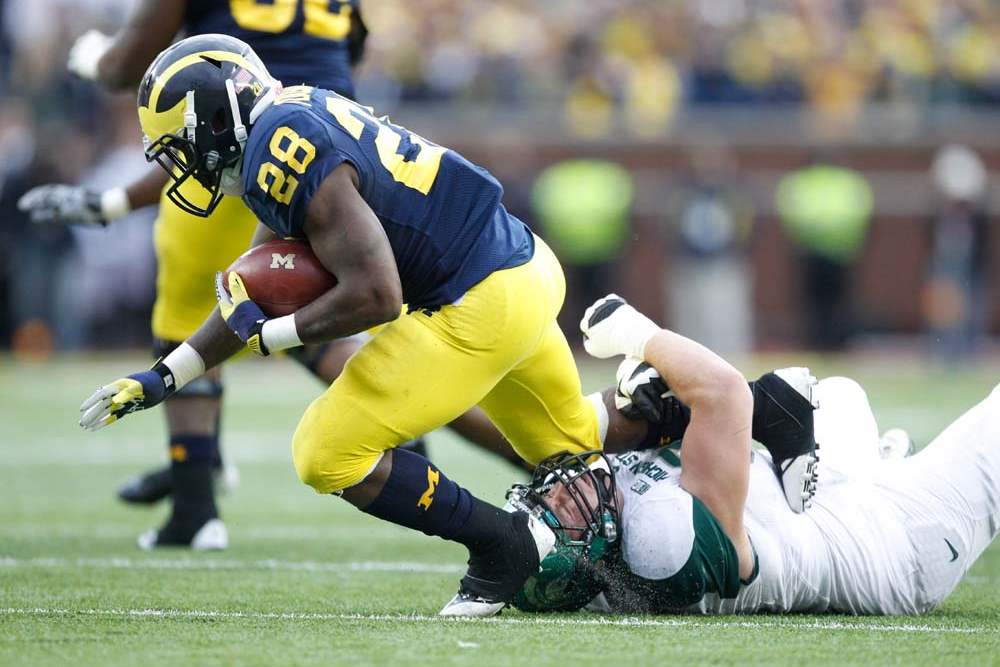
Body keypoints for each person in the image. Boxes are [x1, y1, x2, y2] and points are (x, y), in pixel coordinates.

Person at [76, 33, 608, 617]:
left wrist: (274, 336)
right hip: (525, 268)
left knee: (326, 451)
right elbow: (249, 291)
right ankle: (657, 521)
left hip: (476, 302)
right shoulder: (289, 113)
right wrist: (164, 377)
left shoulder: (280, 151)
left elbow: (378, 296)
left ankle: (504, 545)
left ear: (218, 121)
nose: (184, 165)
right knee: (579, 456)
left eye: (184, 146)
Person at [512, 294, 999, 616]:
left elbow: (581, 421)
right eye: (559, 512)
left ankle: (873, 458)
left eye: (544, 499)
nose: (558, 492)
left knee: (840, 393)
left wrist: (649, 396)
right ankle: (883, 464)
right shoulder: (660, 548)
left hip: (827, 498)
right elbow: (723, 393)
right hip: (893, 542)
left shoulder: (602, 519)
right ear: (589, 558)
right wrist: (635, 334)